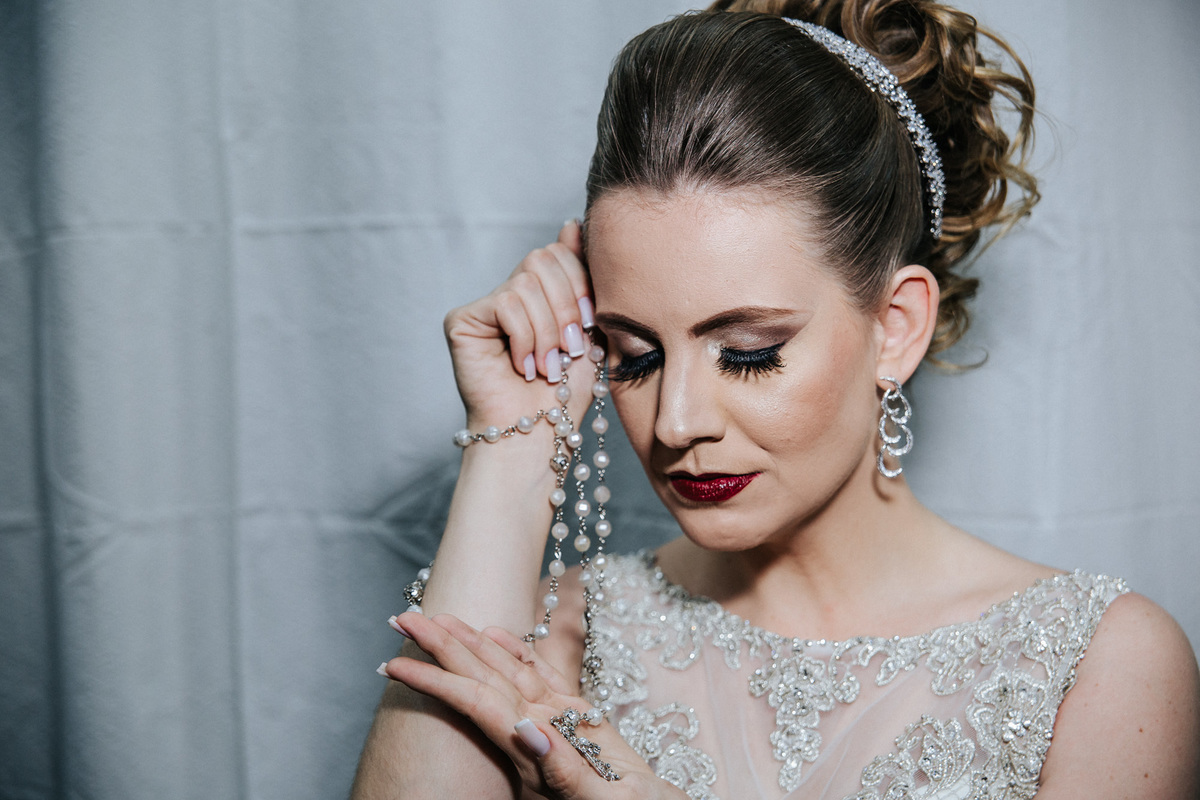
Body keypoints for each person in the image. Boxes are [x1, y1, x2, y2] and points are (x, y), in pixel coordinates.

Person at [352, 2, 1200, 798]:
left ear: (895, 327)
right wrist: (513, 442)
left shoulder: (1097, 664)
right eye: (635, 357)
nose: (677, 422)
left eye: (748, 353)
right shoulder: (561, 633)